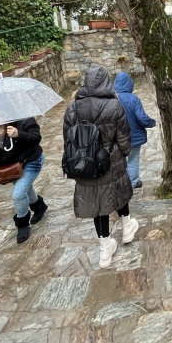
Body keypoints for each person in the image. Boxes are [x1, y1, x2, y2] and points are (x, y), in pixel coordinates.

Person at [63, 65, 135, 268]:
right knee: (118, 192)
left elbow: (67, 139)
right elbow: (123, 137)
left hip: (83, 163)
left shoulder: (73, 107)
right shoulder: (114, 106)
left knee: (97, 206)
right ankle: (127, 227)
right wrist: (124, 152)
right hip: (110, 161)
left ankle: (105, 249)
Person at [0, 116, 46, 244]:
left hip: (31, 160)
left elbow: (36, 138)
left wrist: (18, 134)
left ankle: (22, 224)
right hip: (12, 166)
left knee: (18, 194)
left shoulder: (23, 119)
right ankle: (39, 206)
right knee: (25, 189)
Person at [114, 71, 156, 189]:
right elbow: (142, 118)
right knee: (133, 160)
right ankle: (133, 183)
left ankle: (119, 183)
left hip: (116, 136)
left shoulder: (112, 98)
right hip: (133, 136)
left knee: (118, 160)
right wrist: (152, 122)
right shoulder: (133, 99)